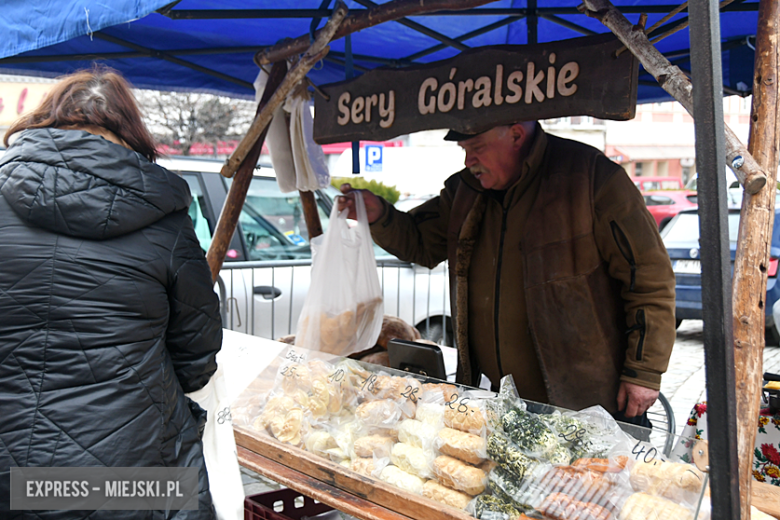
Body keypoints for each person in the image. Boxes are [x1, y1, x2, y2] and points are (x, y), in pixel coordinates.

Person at [339, 121, 676, 425]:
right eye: (464, 150)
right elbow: (421, 244)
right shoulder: (464, 190)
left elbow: (648, 278)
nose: (468, 160)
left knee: (585, 489)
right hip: (497, 400)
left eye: (477, 147)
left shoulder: (591, 178)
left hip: (584, 400)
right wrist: (380, 214)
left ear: (516, 134)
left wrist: (643, 372)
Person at [0, 68, 222, 519]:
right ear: (129, 129)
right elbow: (196, 358)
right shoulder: (167, 218)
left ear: (46, 119)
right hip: (133, 464)